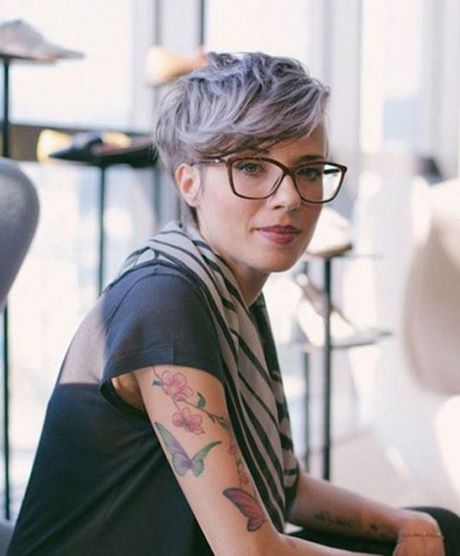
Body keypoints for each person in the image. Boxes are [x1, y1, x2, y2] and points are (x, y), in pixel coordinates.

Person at [8, 52, 460, 556]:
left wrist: (406, 522)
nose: (289, 197)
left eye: (309, 170)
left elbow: (287, 487)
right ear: (189, 182)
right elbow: (250, 552)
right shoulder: (166, 300)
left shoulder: (232, 291)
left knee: (439, 527)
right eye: (251, 167)